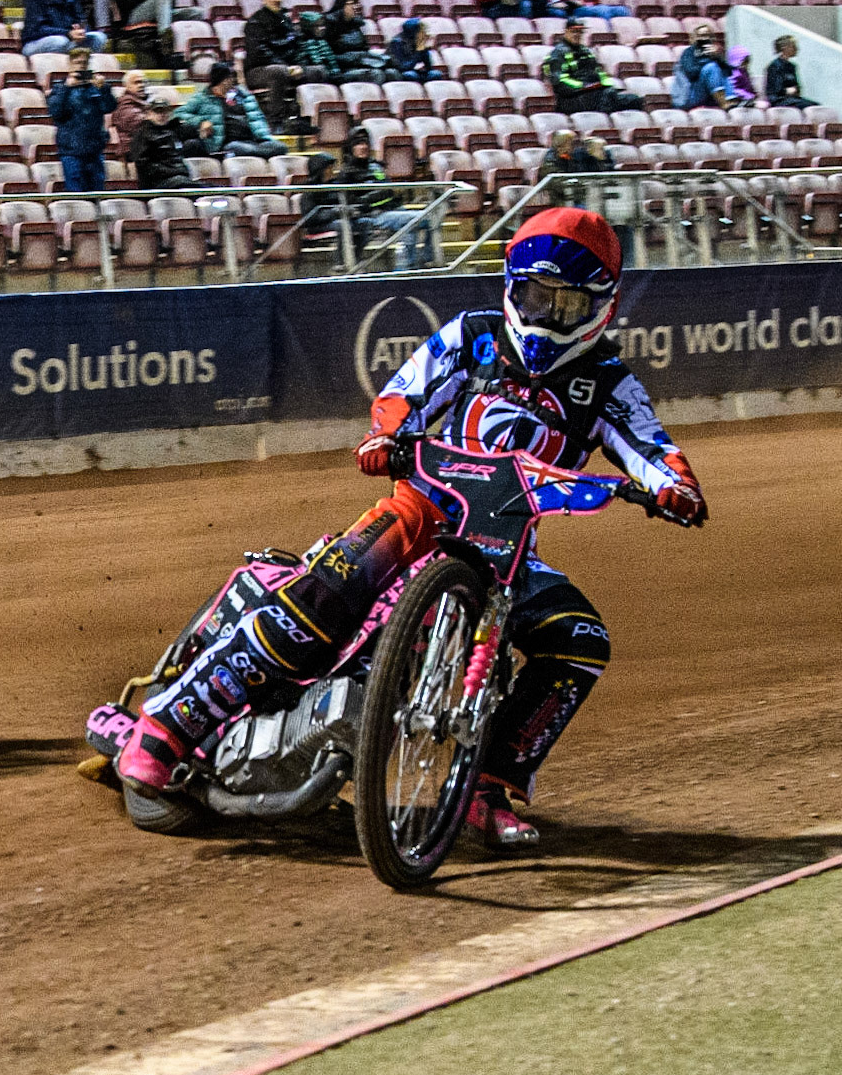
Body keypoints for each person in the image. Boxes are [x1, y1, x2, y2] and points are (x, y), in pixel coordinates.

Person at [115, 207, 708, 850]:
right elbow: (404, 390)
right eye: (537, 296)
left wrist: (674, 485)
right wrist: (385, 434)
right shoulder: (473, 335)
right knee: (325, 593)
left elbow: (650, 447)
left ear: (602, 306)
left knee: (580, 641)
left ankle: (489, 789)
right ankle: (168, 727)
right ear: (513, 287)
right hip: (421, 507)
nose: (547, 314)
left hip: (510, 545)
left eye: (566, 303)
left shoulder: (611, 382)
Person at [338, 126, 435, 270]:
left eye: (365, 143)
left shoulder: (376, 166)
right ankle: (409, 268)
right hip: (374, 215)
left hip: (393, 209)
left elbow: (389, 189)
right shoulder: (346, 173)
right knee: (423, 219)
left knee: (428, 220)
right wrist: (379, 194)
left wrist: (385, 193)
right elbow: (352, 202)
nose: (363, 147)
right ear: (351, 147)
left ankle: (417, 265)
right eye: (358, 143)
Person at [173, 62, 288, 160]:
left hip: (255, 141)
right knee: (236, 148)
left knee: (280, 147)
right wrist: (201, 121)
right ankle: (257, 155)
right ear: (221, 80)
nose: (233, 81)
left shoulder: (245, 96)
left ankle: (257, 153)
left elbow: (258, 119)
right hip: (229, 144)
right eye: (229, 78)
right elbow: (178, 114)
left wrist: (264, 137)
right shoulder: (203, 98)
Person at [48, 47, 118, 192]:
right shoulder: (60, 88)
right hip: (71, 151)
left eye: (84, 62)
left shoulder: (95, 88)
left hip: (94, 150)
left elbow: (109, 107)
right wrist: (67, 88)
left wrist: (104, 89)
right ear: (70, 64)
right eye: (77, 62)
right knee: (76, 194)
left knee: (97, 192)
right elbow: (56, 112)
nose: (81, 65)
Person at [545, 18, 643, 114]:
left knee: (634, 100)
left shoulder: (586, 51)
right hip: (572, 99)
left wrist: (605, 84)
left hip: (594, 94)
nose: (577, 35)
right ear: (566, 32)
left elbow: (599, 72)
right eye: (574, 31)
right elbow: (560, 82)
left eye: (580, 32)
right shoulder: (558, 54)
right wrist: (584, 86)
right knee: (608, 98)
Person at [244, 0, 307, 129]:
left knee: (318, 71)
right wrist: (287, 68)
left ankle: (302, 118)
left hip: (286, 67)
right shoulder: (255, 22)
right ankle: (275, 121)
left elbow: (297, 46)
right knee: (278, 72)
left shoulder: (286, 21)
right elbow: (259, 52)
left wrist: (299, 66)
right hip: (258, 70)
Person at [128, 95, 198, 188]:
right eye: (157, 111)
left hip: (178, 179)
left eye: (165, 111)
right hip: (157, 183)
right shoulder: (142, 135)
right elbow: (144, 166)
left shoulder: (175, 131)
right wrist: (174, 171)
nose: (162, 115)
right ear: (149, 114)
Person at [323, 0, 390, 79]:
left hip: (361, 62)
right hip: (342, 68)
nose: (355, 7)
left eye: (356, 4)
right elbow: (327, 55)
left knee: (391, 72)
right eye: (351, 4)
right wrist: (353, 58)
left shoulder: (356, 24)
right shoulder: (330, 25)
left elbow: (365, 48)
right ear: (341, 6)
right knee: (376, 74)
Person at [766, 35, 818, 110]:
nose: (797, 49)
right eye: (793, 46)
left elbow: (797, 87)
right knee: (807, 106)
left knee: (816, 105)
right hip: (779, 100)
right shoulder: (775, 66)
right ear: (785, 48)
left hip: (792, 99)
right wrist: (787, 91)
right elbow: (775, 90)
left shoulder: (792, 66)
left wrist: (795, 90)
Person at [695, 44, 753, 110]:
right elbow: (733, 86)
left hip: (740, 98)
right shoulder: (728, 72)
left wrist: (750, 95)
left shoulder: (743, 73)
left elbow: (749, 87)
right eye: (744, 62)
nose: (745, 65)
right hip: (727, 98)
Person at [672, 24, 716, 109]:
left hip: (710, 95)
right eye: (702, 36)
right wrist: (708, 61)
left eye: (708, 36)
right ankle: (725, 102)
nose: (705, 39)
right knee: (711, 67)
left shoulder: (716, 54)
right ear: (695, 39)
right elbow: (691, 73)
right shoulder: (689, 53)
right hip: (690, 93)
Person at [385, 18, 443, 83]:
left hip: (413, 70)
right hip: (400, 72)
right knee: (411, 75)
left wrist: (424, 49)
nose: (425, 33)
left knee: (436, 74)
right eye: (421, 31)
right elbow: (403, 67)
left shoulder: (417, 41)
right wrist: (418, 51)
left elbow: (429, 67)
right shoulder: (397, 42)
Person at [111, 69, 151, 156]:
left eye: (144, 82)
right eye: (137, 82)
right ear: (127, 86)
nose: (142, 85)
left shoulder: (144, 103)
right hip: (132, 152)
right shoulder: (124, 106)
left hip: (146, 148)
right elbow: (143, 125)